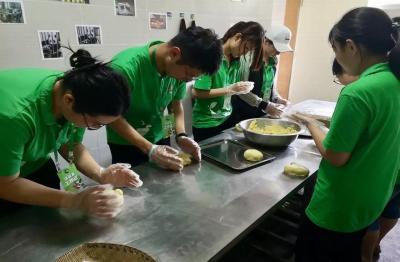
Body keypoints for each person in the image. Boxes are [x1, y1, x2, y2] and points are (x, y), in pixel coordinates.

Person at [292, 7, 400, 261]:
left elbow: (335, 155)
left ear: (350, 46)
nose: (337, 58)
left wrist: (311, 125)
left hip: (339, 205)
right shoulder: (394, 81)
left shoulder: (358, 92)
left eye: (336, 49)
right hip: (372, 197)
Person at [0, 49, 143, 218]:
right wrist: (75, 200)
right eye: (95, 124)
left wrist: (102, 174)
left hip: (34, 163)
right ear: (69, 101)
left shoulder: (75, 89)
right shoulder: (13, 118)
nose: (95, 126)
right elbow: (6, 185)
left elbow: (71, 144)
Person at [107, 26, 222, 171]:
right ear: (174, 53)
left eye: (193, 77)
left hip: (160, 135)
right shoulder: (124, 69)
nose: (187, 80)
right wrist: (150, 149)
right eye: (188, 74)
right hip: (126, 142)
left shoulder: (177, 69)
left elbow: (175, 107)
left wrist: (180, 136)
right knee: (133, 187)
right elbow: (113, 118)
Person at [191, 21, 265, 142]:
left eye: (248, 51)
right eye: (246, 48)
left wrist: (241, 88)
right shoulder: (212, 56)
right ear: (237, 37)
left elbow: (232, 88)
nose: (244, 53)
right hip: (207, 123)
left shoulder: (236, 60)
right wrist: (231, 89)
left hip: (227, 119)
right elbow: (196, 93)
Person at [231, 24, 293, 122]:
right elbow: (241, 90)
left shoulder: (273, 61)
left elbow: (270, 86)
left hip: (261, 113)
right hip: (242, 114)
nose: (279, 53)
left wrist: (277, 99)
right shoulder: (248, 58)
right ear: (266, 42)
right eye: (277, 48)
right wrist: (265, 105)